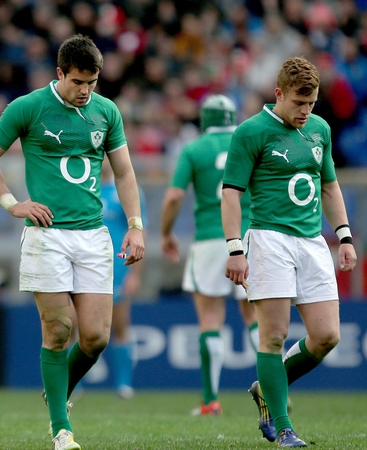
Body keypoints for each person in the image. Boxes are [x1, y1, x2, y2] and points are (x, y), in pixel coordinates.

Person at [0, 35, 145, 450]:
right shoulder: (28, 107)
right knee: (58, 329)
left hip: (93, 235)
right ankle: (61, 429)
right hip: (47, 236)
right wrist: (12, 203)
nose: (85, 91)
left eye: (93, 82)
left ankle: (58, 386)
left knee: (96, 337)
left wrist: (136, 225)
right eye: (78, 82)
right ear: (60, 73)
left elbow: (123, 173)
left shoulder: (107, 112)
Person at [222, 56, 357, 448]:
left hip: (312, 241)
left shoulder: (319, 129)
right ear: (278, 94)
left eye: (311, 103)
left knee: (327, 335)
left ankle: (267, 388)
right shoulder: (251, 132)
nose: (305, 111)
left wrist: (345, 236)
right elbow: (231, 193)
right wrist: (235, 248)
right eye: (299, 103)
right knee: (275, 336)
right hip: (268, 240)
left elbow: (329, 186)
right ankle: (283, 428)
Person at [160, 94, 259, 416]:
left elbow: (174, 197)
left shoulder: (194, 149)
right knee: (256, 318)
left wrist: (165, 232)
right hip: (248, 237)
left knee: (210, 321)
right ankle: (274, 389)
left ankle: (210, 400)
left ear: (204, 119)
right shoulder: (248, 141)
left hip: (208, 239)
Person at [99, 161, 144, 400]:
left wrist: (135, 274)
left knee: (120, 325)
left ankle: (123, 384)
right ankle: (76, 384)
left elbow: (139, 234)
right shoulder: (87, 186)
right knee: (73, 324)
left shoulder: (127, 190)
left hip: (119, 267)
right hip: (87, 265)